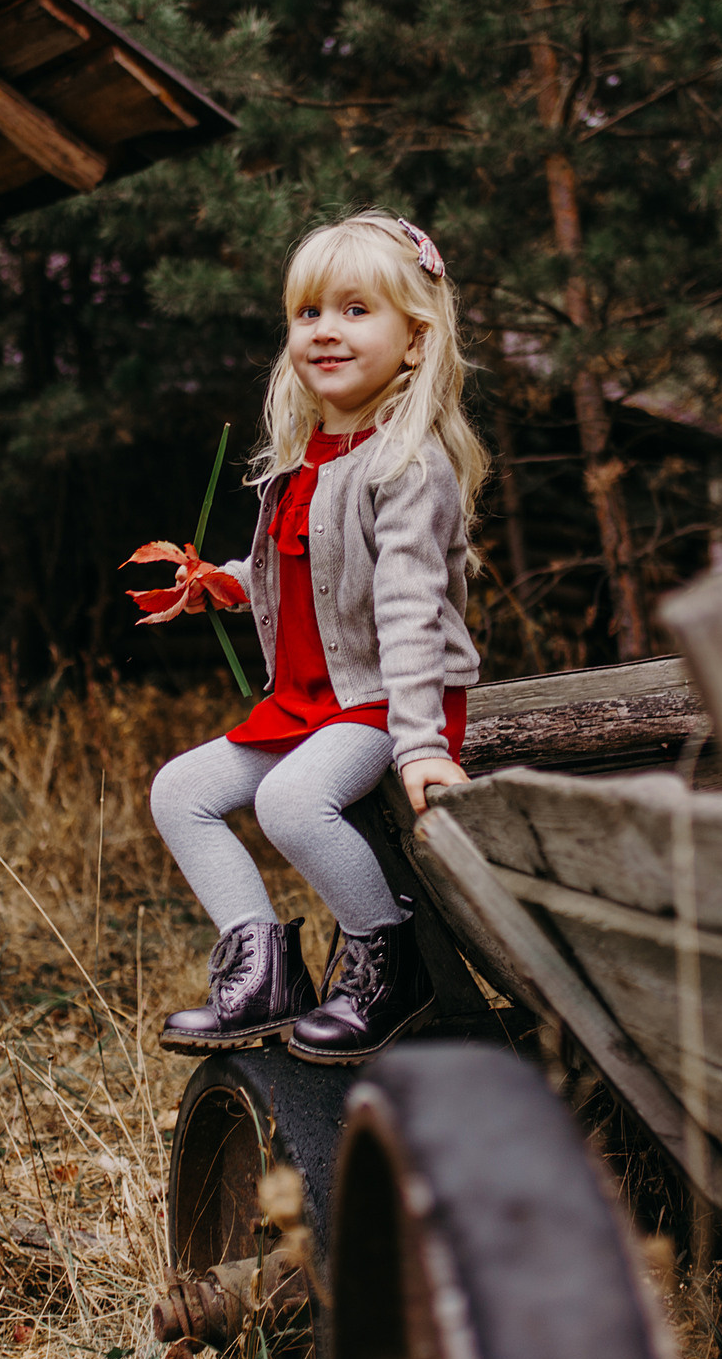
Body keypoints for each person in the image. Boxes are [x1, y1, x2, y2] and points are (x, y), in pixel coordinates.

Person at [127, 210, 487, 1064]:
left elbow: (404, 605)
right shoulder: (304, 456)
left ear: (414, 341)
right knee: (179, 790)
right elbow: (311, 577)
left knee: (292, 801)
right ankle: (261, 967)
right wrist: (226, 581)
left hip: (388, 701)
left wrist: (421, 745)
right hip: (307, 705)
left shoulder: (409, 463)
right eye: (309, 312)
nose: (326, 330)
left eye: (357, 310)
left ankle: (386, 959)